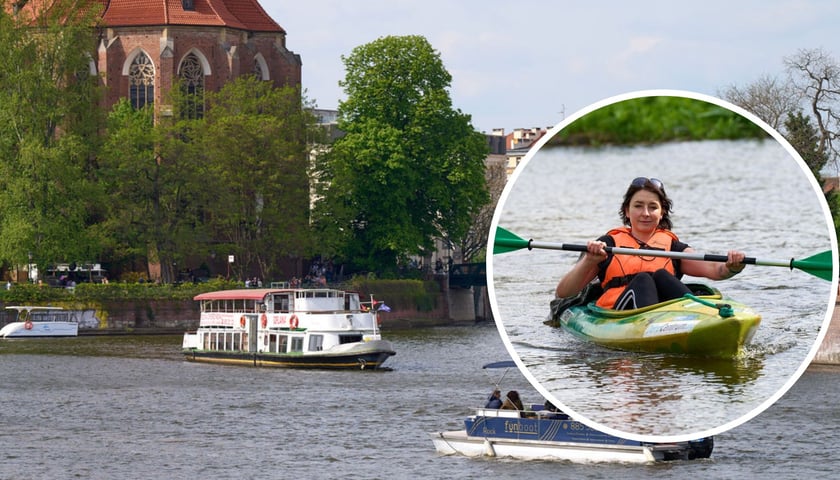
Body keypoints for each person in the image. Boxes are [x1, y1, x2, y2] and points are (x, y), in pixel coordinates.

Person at [555, 177, 746, 310]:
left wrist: (732, 266)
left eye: (653, 207)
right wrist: (589, 261)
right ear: (627, 211)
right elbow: (564, 293)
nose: (645, 213)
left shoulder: (673, 247)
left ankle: (694, 314)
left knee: (662, 275)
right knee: (644, 279)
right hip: (621, 314)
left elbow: (715, 270)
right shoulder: (608, 244)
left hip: (665, 313)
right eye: (638, 206)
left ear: (661, 212)